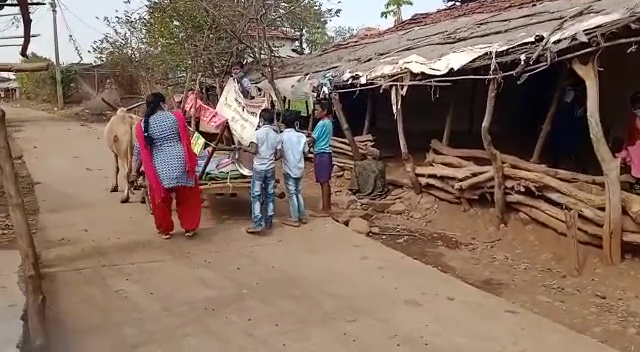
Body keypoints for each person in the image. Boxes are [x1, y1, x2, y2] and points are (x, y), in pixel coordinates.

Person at [132, 92, 201, 240]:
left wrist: (134, 171)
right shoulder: (176, 116)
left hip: (159, 167)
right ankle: (189, 228)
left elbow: (139, 150)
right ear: (163, 104)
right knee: (188, 198)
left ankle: (165, 230)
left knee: (161, 200)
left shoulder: (143, 125)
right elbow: (186, 138)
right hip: (182, 162)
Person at [240, 108, 282, 234]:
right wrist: (270, 157)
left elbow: (253, 150)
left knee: (256, 196)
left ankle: (258, 223)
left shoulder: (257, 134)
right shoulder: (276, 135)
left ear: (262, 120)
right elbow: (279, 154)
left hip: (259, 168)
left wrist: (244, 148)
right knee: (269, 195)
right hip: (270, 168)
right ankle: (269, 221)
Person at [548, 84, 587, 172]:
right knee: (558, 143)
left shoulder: (583, 107)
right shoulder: (568, 104)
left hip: (573, 130)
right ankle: (557, 162)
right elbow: (562, 114)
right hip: (564, 127)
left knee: (570, 145)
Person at [280, 110, 309, 227]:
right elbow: (306, 152)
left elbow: (279, 152)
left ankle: (294, 218)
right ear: (296, 123)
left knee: (292, 193)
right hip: (299, 167)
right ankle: (302, 216)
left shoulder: (281, 137)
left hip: (288, 168)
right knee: (298, 192)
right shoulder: (302, 136)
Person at [309, 99, 334, 217]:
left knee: (323, 182)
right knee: (325, 181)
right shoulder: (328, 122)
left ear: (324, 111)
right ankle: (327, 206)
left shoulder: (321, 124)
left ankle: (325, 209)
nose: (315, 112)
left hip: (321, 153)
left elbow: (312, 140)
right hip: (326, 153)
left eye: (317, 110)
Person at [618, 91, 640, 194]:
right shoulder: (633, 125)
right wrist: (623, 156)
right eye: (636, 106)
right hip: (636, 174)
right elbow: (628, 147)